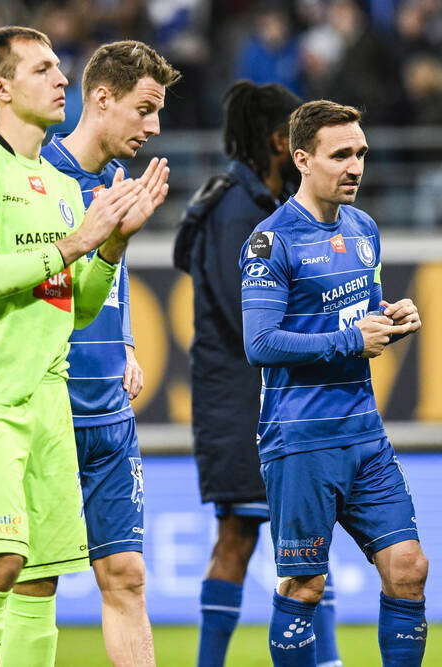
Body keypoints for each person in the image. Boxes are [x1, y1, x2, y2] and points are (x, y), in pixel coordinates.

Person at [0, 39, 179, 665]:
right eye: (44, 69)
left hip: (54, 396)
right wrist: (79, 242)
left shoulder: (60, 187)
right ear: (2, 87)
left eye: (60, 68)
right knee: (3, 561)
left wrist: (114, 245)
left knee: (41, 578)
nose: (61, 79)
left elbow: (83, 303)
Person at [239, 100, 427, 667]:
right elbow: (260, 343)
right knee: (304, 587)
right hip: (301, 440)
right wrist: (350, 341)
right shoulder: (272, 243)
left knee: (409, 568)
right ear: (302, 159)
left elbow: (360, 321)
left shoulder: (364, 228)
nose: (355, 167)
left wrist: (392, 323)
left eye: (361, 153)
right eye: (340, 155)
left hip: (364, 434)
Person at [173, 81, 342, 667]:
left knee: (304, 535)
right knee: (241, 536)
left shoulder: (260, 206)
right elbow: (248, 316)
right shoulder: (238, 213)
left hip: (273, 397)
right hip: (241, 400)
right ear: (279, 141)